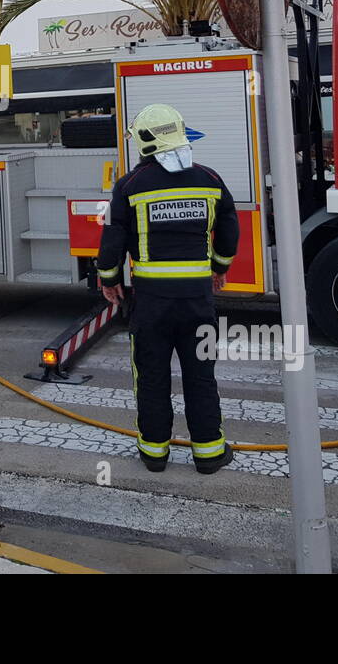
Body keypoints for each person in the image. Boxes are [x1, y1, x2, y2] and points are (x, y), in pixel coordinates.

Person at [96, 104, 239, 475]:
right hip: (198, 302)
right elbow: (229, 227)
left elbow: (113, 239)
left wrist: (109, 280)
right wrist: (219, 268)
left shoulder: (128, 186)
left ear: (145, 142)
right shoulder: (209, 179)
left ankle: (154, 454)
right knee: (200, 375)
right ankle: (209, 455)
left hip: (151, 305)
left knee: (152, 375)